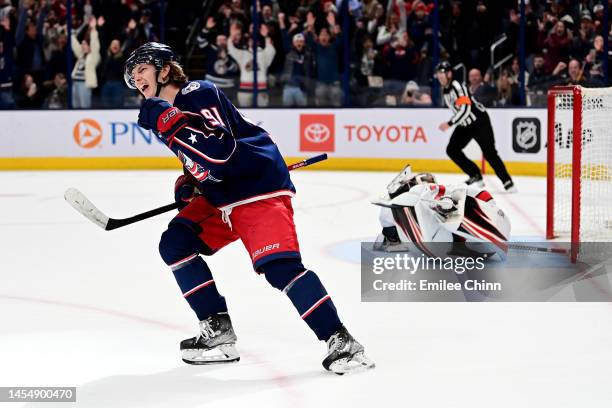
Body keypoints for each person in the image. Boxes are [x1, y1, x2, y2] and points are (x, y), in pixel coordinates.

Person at [123, 42, 374, 374]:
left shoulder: (197, 92)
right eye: (133, 75)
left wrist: (172, 125)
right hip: (224, 196)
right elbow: (203, 162)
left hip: (257, 191)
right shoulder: (164, 116)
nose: (136, 78)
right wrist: (193, 182)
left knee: (280, 268)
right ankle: (217, 332)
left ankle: (342, 342)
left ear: (164, 69)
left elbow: (221, 152)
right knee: (175, 243)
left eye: (142, 69)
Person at [373, 165, 510, 260]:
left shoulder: (447, 191)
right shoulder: (399, 210)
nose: (426, 183)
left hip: (467, 244)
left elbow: (484, 197)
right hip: (456, 247)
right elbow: (384, 238)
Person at [435, 61, 516, 192]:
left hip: (479, 122)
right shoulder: (445, 90)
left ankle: (507, 181)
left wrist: (449, 123)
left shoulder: (457, 86)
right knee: (452, 150)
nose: (439, 76)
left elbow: (466, 109)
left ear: (449, 74)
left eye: (441, 73)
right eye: (438, 74)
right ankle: (475, 174)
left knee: (489, 153)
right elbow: (460, 111)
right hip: (465, 124)